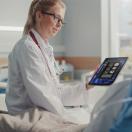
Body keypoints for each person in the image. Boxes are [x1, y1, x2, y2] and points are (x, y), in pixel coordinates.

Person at [5, 0, 90, 124]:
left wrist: (87, 86)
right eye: (56, 18)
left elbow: (56, 92)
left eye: (62, 21)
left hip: (42, 114)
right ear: (39, 15)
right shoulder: (27, 47)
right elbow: (43, 96)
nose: (59, 24)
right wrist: (67, 118)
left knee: (88, 115)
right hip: (28, 118)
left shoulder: (44, 49)